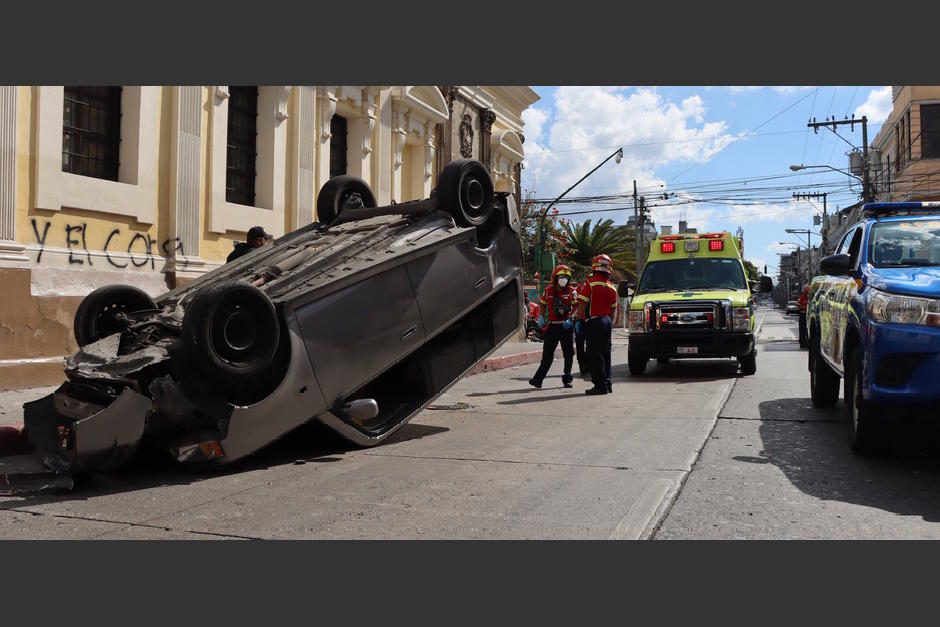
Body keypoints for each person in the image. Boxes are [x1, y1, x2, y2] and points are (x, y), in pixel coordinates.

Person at [574, 254, 618, 395]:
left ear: (595, 267)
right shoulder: (612, 287)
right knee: (606, 353)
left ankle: (600, 386)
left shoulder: (590, 283)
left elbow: (582, 304)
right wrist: (609, 323)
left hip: (594, 322)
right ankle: (608, 383)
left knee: (595, 354)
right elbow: (613, 309)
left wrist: (579, 320)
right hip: (607, 321)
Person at [529, 265, 578, 389]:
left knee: (568, 354)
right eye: (561, 277)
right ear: (555, 278)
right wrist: (541, 315)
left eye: (566, 277)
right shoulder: (548, 290)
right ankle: (538, 380)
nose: (564, 279)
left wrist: (571, 318)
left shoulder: (572, 291)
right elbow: (542, 303)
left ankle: (567, 379)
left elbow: (576, 307)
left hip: (566, 327)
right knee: (547, 354)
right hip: (553, 327)